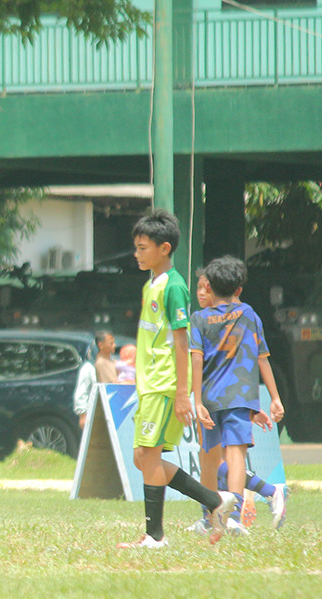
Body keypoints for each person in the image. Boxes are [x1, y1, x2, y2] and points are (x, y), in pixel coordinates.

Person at [119, 209, 235, 549]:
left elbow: (183, 342)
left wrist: (184, 394)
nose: (137, 254)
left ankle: (155, 536)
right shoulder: (151, 284)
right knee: (143, 458)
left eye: (143, 248)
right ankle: (215, 502)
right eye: (136, 247)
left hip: (165, 386)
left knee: (149, 457)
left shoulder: (174, 287)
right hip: (149, 385)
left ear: (164, 248)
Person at [190, 257, 287, 536]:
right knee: (234, 456)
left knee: (209, 458)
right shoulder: (248, 314)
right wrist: (275, 396)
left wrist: (196, 401)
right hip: (242, 397)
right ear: (239, 289)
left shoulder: (200, 319)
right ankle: (228, 516)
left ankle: (217, 516)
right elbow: (262, 358)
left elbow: (197, 361)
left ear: (208, 286)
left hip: (210, 399)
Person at [73, 331, 117, 428]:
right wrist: (83, 414)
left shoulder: (114, 364)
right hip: (96, 414)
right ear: (100, 345)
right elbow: (82, 392)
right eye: (111, 343)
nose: (114, 346)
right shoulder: (88, 368)